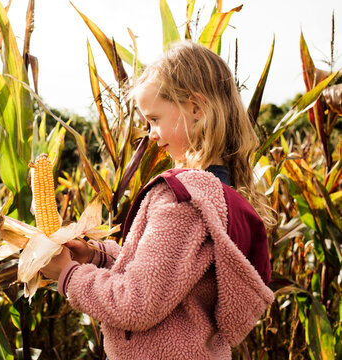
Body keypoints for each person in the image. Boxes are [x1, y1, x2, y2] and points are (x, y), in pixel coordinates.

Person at [41, 40, 276, 359]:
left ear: (196, 108)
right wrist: (96, 256)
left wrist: (67, 274)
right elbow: (170, 276)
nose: (150, 133)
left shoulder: (182, 198)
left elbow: (137, 303)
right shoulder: (216, 192)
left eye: (154, 119)